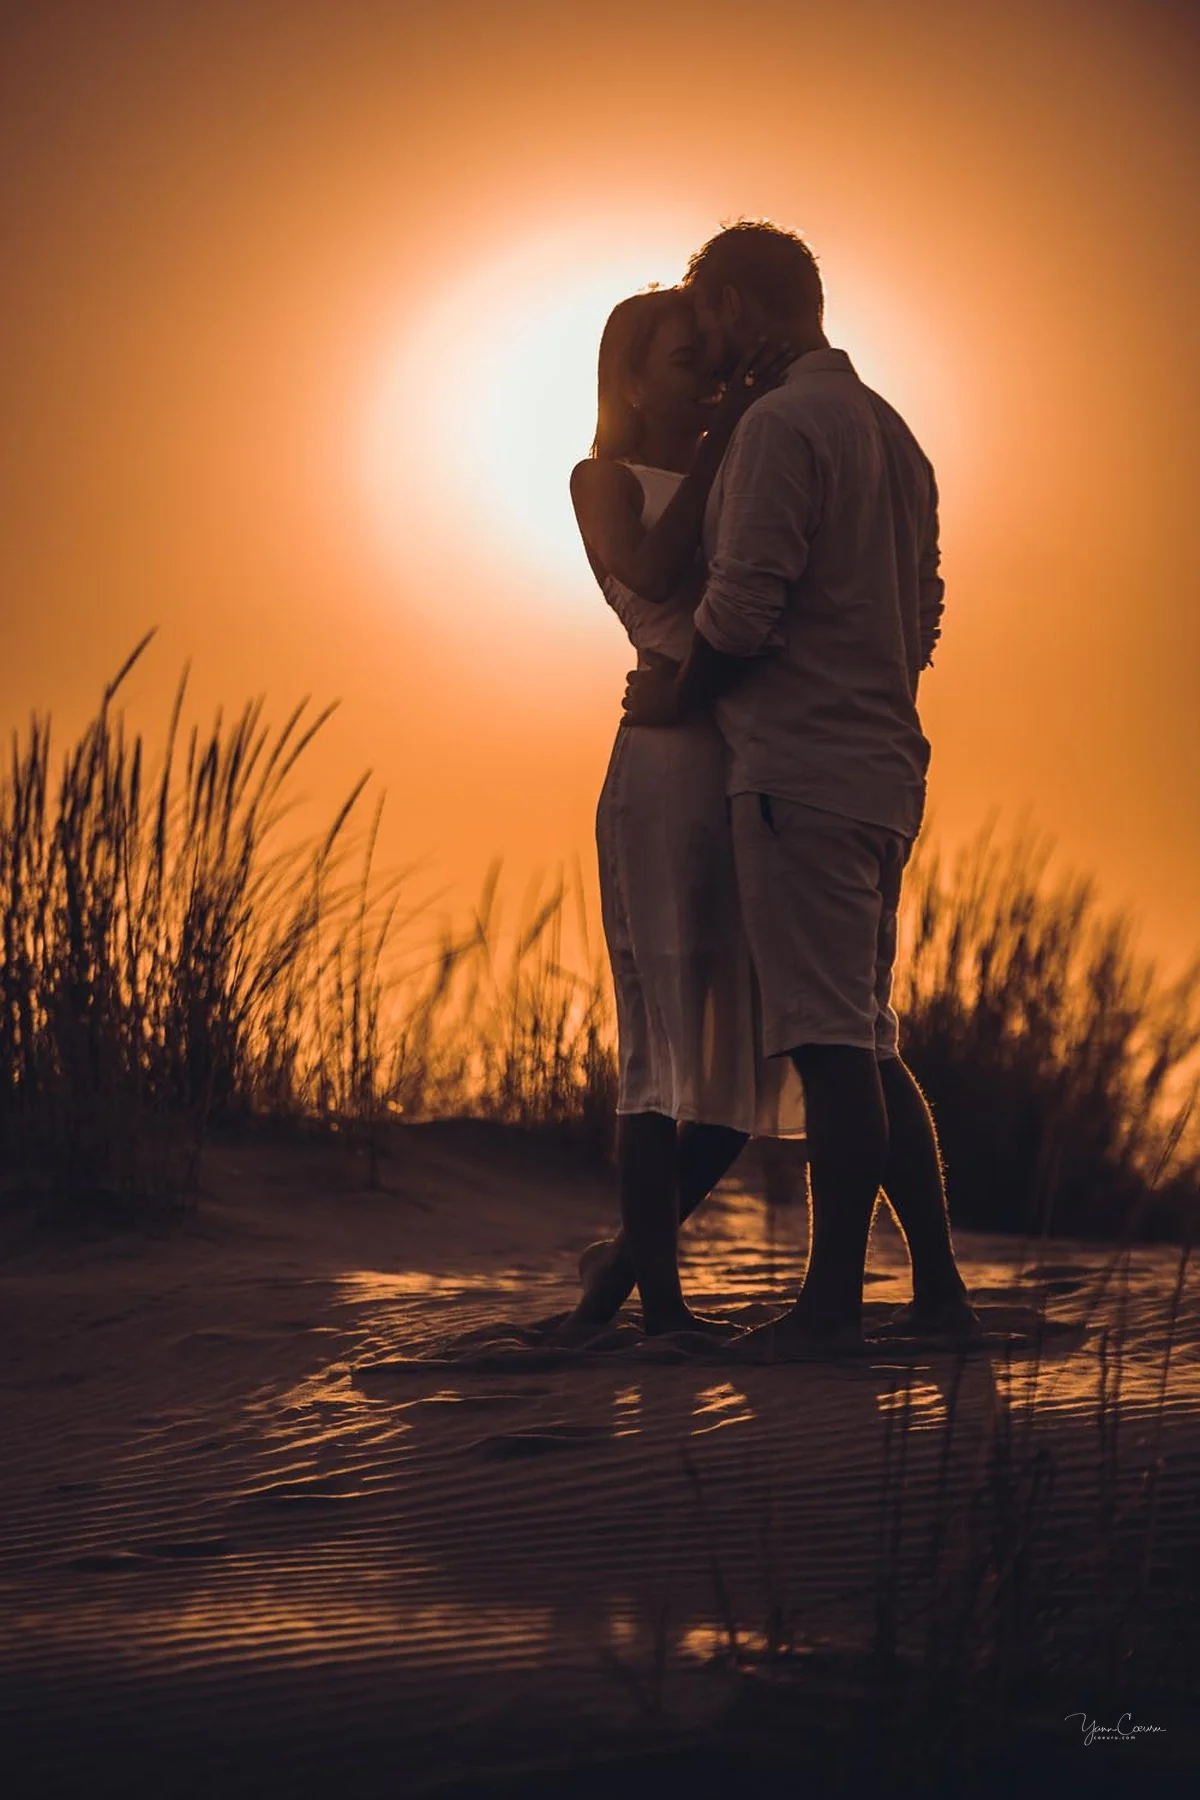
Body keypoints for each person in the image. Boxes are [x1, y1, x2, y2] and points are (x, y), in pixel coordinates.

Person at [625, 223, 978, 1354]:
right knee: (866, 1037)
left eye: (708, 316)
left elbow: (741, 606)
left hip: (800, 772)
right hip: (882, 765)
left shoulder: (781, 427)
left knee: (831, 1046)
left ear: (735, 304)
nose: (708, 343)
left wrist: (679, 695)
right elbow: (925, 614)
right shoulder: (893, 431)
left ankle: (830, 1309)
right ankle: (939, 1293)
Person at [563, 287, 805, 1342]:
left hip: (747, 760)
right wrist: (728, 439)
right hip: (662, 770)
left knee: (755, 1057)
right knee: (661, 1044)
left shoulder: (741, 471)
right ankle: (659, 1308)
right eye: (686, 363)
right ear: (627, 378)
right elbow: (652, 571)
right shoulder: (603, 479)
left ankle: (620, 1268)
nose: (711, 382)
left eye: (717, 364)